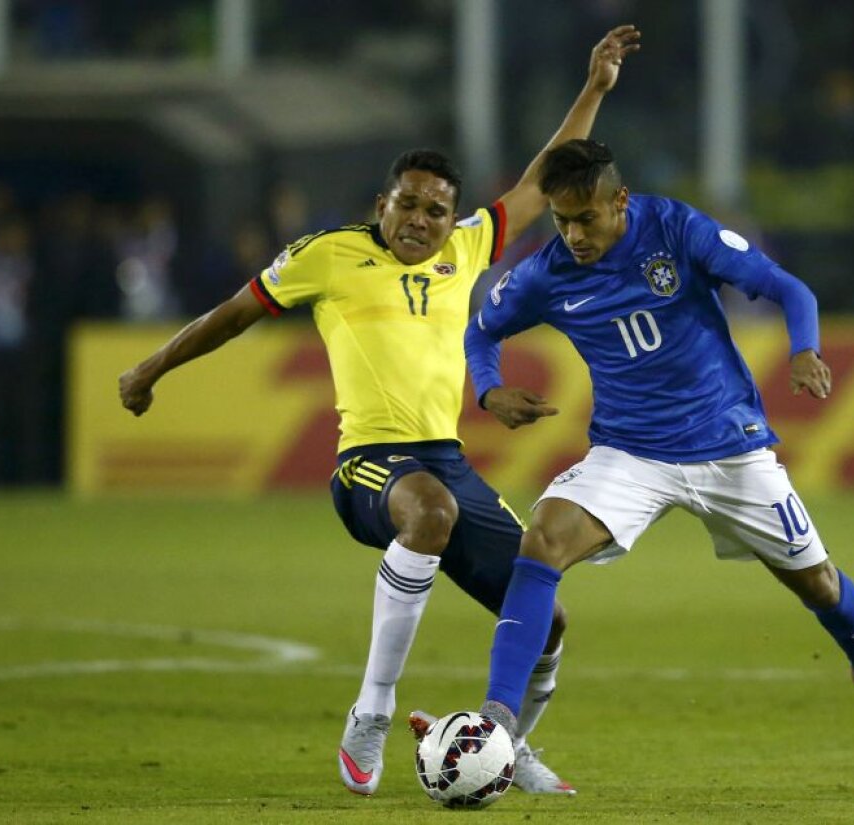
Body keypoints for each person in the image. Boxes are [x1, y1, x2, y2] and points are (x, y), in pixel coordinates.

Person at [117, 27, 641, 797]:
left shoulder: (468, 248)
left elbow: (541, 179)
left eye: (436, 209)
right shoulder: (327, 254)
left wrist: (594, 88)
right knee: (426, 515)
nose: (421, 221)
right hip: (370, 462)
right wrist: (151, 366)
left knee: (548, 618)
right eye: (409, 205)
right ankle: (372, 708)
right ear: (382, 205)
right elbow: (234, 313)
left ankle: (505, 747)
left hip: (449, 461)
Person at [463, 138, 854, 762]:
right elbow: (482, 329)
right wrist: (490, 390)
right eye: (561, 219)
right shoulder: (547, 274)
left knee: (819, 584)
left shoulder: (676, 229)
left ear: (619, 201)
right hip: (630, 454)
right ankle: (497, 718)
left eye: (586, 218)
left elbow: (789, 289)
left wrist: (804, 349)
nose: (573, 234)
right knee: (542, 539)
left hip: (727, 446)